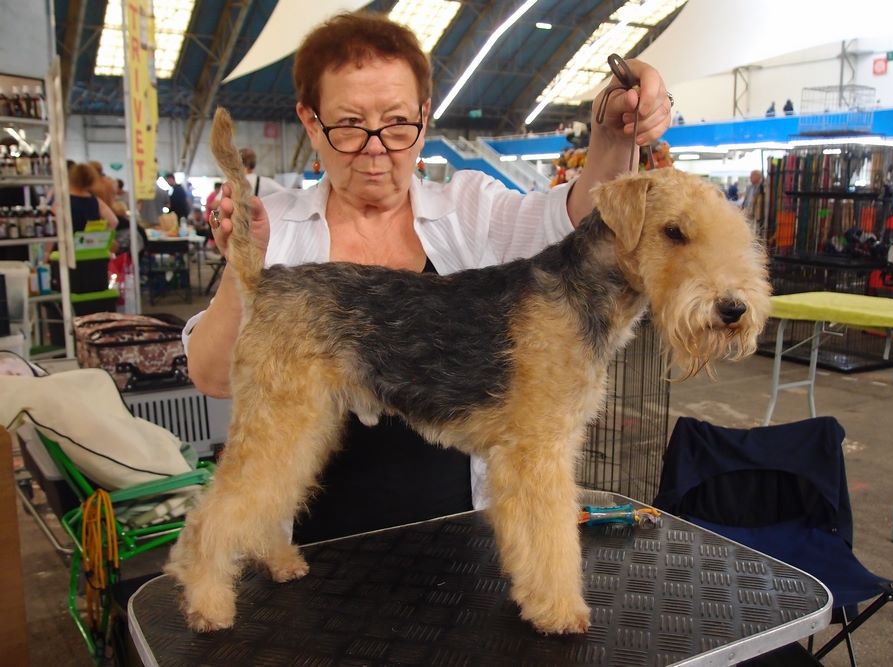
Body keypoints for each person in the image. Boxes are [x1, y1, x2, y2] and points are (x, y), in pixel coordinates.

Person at [190, 10, 672, 543]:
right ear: (310, 121)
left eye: (398, 124)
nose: (376, 149)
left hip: (461, 533)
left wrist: (611, 128)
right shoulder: (272, 224)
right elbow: (212, 377)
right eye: (349, 125)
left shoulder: (473, 207)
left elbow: (579, 218)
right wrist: (244, 261)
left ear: (424, 115)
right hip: (313, 543)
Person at [68, 162, 119, 233]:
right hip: (90, 240)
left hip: (69, 241)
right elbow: (113, 221)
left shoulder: (65, 200)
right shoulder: (95, 200)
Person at [741, 169, 766, 234]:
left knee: (754, 228)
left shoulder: (761, 187)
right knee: (747, 227)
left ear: (758, 177)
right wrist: (743, 207)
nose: (750, 177)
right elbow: (746, 198)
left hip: (755, 211)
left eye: (752, 176)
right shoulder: (749, 187)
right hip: (747, 209)